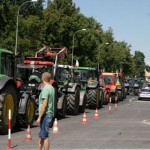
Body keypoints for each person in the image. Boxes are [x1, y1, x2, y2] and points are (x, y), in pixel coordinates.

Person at [36, 72, 55, 150]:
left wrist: (39, 117)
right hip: (49, 114)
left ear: (42, 78)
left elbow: (44, 104)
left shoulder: (46, 89)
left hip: (45, 114)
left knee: (45, 136)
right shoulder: (51, 88)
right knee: (42, 135)